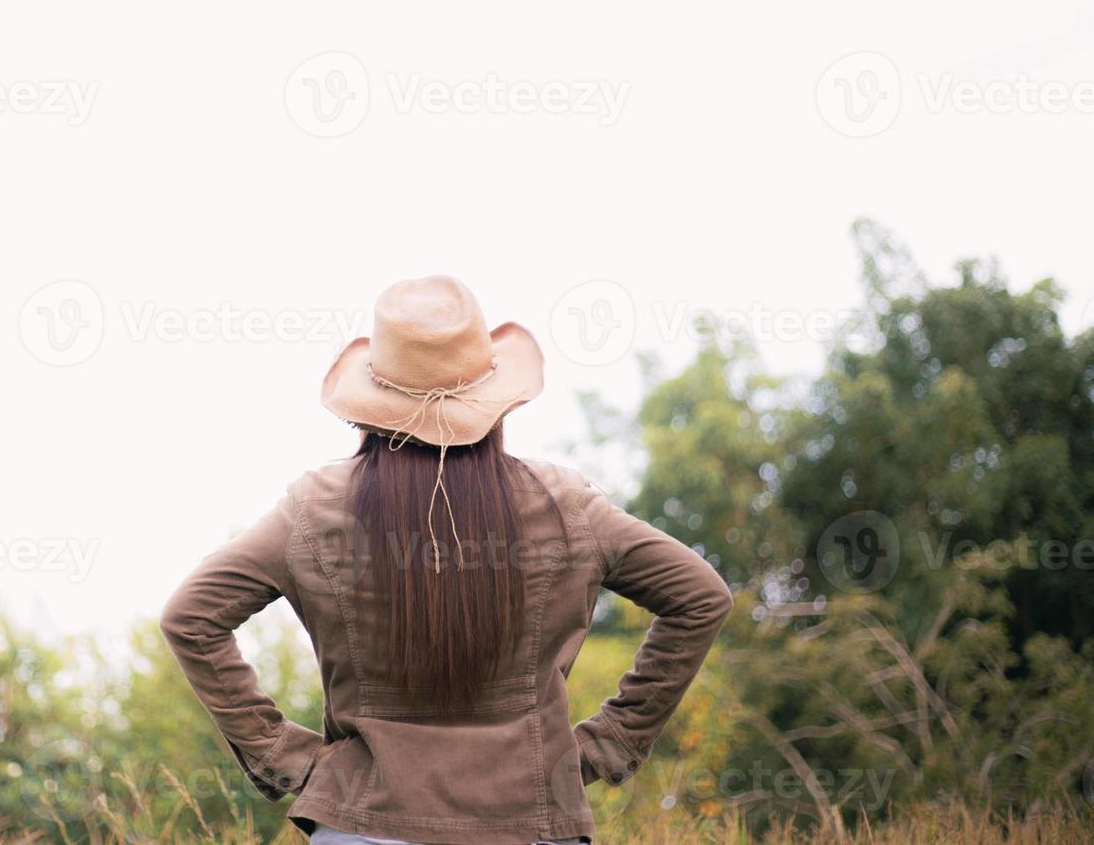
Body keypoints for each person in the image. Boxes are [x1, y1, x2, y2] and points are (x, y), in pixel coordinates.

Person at [160, 275, 733, 844]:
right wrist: (607, 742)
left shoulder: (313, 509)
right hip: (530, 822)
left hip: (363, 824)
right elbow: (700, 597)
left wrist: (289, 758)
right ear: (493, 399)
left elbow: (191, 616)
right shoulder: (565, 506)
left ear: (372, 405)